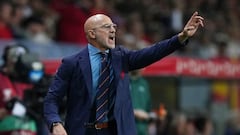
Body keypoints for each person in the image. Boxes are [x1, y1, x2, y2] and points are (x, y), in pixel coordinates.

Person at [43, 12, 204, 135]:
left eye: (114, 26)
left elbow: (151, 53)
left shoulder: (121, 57)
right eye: (107, 27)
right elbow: (52, 99)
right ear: (92, 34)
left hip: (117, 130)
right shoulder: (72, 63)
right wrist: (55, 124)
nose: (113, 30)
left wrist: (181, 37)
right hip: (84, 130)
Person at [129, 69, 152, 135]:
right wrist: (135, 112)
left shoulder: (144, 84)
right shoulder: (123, 82)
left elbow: (148, 108)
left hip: (142, 130)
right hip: (127, 129)